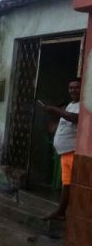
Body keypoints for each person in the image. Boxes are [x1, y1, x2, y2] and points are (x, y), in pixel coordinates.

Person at [42, 78, 82, 220]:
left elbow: (75, 118)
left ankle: (72, 213)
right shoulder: (70, 105)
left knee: (76, 186)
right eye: (71, 87)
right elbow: (58, 125)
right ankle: (61, 211)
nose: (73, 90)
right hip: (64, 154)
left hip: (74, 153)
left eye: (76, 87)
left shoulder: (84, 105)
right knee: (67, 184)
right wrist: (55, 117)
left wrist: (55, 109)